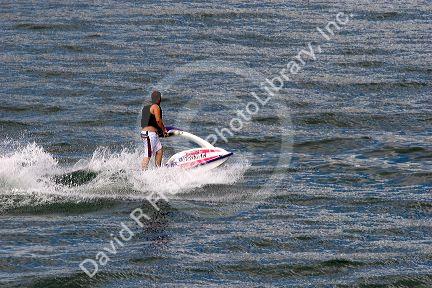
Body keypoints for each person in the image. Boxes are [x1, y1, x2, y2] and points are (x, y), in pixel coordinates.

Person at [140, 90, 168, 171]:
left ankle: (158, 169)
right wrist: (163, 130)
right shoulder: (156, 107)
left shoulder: (146, 107)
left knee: (159, 150)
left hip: (152, 134)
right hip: (149, 134)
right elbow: (158, 120)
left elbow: (149, 121)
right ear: (159, 99)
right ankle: (143, 174)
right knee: (148, 154)